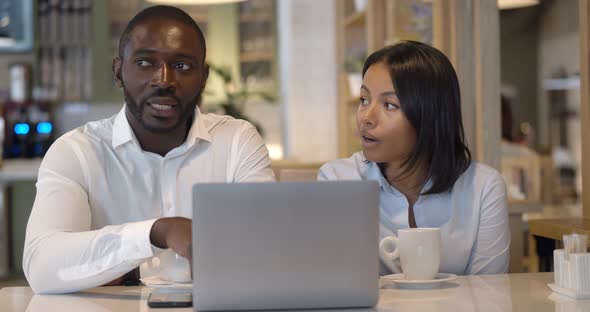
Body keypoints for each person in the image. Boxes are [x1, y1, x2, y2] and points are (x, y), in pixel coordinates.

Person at [23, 5, 274, 294]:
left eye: (182, 66)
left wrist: (123, 269)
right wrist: (157, 232)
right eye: (145, 63)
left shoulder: (237, 142)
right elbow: (42, 266)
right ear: (118, 72)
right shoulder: (76, 152)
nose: (164, 80)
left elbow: (265, 247)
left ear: (203, 78)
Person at [319, 41, 510, 275]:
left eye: (389, 105)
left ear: (430, 115)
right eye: (364, 100)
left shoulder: (484, 187)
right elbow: (335, 284)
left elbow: (489, 293)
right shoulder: (338, 180)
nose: (366, 117)